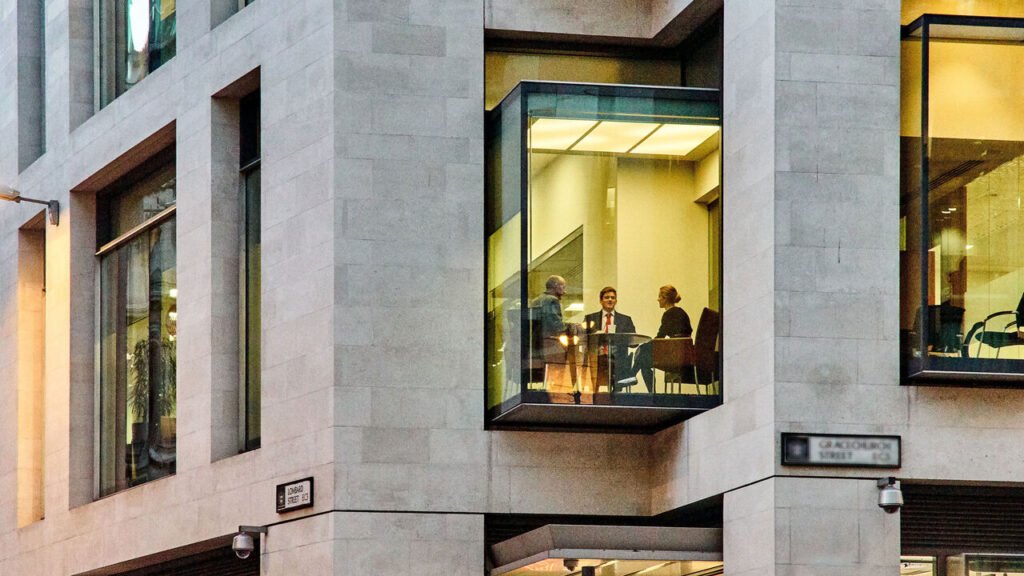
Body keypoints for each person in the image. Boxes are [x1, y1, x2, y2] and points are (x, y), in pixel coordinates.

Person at [631, 284, 693, 392]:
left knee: (643, 352)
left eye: (659, 297)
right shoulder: (681, 312)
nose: (657, 299)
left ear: (665, 298)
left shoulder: (669, 314)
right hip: (684, 353)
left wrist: (644, 345)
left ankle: (634, 377)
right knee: (644, 357)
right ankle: (632, 376)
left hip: (675, 355)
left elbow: (660, 337)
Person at [584, 287, 636, 392]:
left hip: (618, 360)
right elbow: (584, 339)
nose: (610, 300)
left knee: (619, 364)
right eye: (606, 297)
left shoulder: (625, 320)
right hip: (597, 358)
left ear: (616, 301)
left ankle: (617, 397)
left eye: (613, 297)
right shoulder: (590, 318)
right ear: (601, 300)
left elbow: (633, 342)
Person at [530, 275, 568, 361]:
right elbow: (556, 324)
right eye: (563, 286)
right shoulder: (552, 300)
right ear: (556, 285)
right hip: (550, 345)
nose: (564, 290)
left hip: (537, 344)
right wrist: (570, 328)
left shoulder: (535, 300)